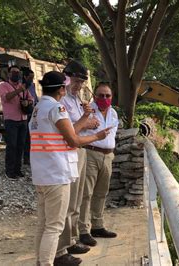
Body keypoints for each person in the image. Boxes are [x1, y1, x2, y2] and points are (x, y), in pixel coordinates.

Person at [30, 71, 112, 266]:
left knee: (44, 224)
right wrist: (96, 137)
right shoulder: (57, 108)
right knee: (54, 226)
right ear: (61, 89)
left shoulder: (38, 108)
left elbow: (67, 132)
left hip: (42, 173)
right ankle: (47, 263)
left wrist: (84, 117)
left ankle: (40, 262)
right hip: (56, 174)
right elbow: (73, 139)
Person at [55, 60, 100, 260]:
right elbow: (70, 129)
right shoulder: (61, 100)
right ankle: (63, 245)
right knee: (69, 198)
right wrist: (87, 122)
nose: (79, 85)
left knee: (77, 198)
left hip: (79, 149)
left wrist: (87, 118)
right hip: (67, 151)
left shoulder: (75, 99)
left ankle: (72, 239)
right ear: (67, 77)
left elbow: (79, 125)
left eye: (81, 82)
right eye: (76, 80)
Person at [79, 82, 119, 247]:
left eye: (107, 95)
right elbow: (78, 130)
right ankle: (83, 230)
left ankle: (97, 225)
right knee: (86, 193)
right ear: (95, 96)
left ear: (111, 97)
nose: (104, 98)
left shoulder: (114, 113)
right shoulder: (87, 111)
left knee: (102, 192)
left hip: (108, 155)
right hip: (91, 153)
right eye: (101, 95)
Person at [0, 65, 34, 179]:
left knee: (20, 145)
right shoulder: (3, 86)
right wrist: (19, 90)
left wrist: (27, 103)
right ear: (9, 74)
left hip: (23, 119)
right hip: (11, 120)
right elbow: (6, 97)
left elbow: (31, 98)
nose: (16, 74)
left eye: (18, 72)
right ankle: (9, 170)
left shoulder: (22, 86)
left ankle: (18, 169)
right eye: (14, 72)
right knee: (12, 145)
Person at [22, 67, 38, 165]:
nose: (32, 79)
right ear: (25, 77)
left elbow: (35, 98)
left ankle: (30, 157)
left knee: (31, 137)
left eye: (33, 77)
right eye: (30, 77)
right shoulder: (21, 86)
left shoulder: (32, 85)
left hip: (32, 113)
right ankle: (26, 158)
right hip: (23, 115)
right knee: (25, 138)